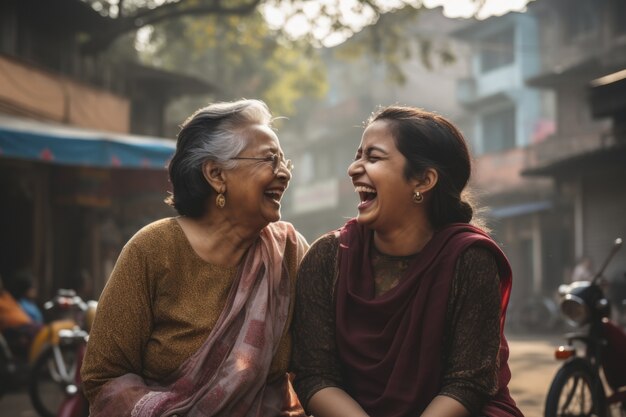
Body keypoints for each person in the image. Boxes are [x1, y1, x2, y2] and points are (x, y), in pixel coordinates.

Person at [290, 106, 524, 417]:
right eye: (357, 155)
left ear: (423, 181)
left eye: (373, 158)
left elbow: (468, 382)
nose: (353, 168)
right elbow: (315, 374)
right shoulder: (326, 258)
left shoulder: (470, 259)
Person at [81, 99, 309, 417]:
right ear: (216, 174)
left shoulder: (289, 253)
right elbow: (104, 376)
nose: (283, 173)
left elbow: (318, 364)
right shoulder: (153, 250)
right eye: (270, 160)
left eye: (285, 162)